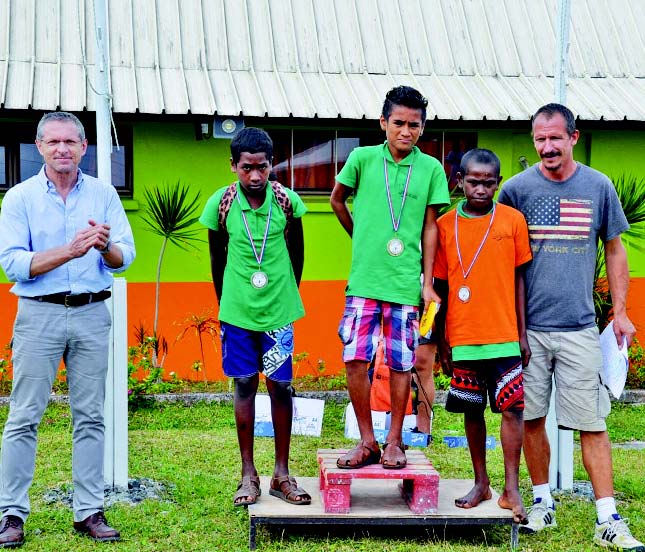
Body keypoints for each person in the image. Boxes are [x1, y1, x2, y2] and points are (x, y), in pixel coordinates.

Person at [498, 103, 644, 551]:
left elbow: (615, 250)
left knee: (593, 423)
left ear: (573, 138)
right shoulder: (515, 190)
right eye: (539, 139)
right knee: (532, 417)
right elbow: (499, 253)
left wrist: (619, 311)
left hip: (580, 328)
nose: (546, 147)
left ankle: (608, 518)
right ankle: (542, 503)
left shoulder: (597, 187)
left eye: (555, 138)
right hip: (529, 330)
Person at [0, 111, 136, 546]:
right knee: (24, 416)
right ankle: (12, 515)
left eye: (71, 142)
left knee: (91, 416)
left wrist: (105, 247)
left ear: (83, 147)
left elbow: (125, 257)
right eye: (53, 142)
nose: (62, 149)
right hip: (39, 315)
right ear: (38, 147)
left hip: (92, 313)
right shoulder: (19, 198)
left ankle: (89, 511)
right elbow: (13, 264)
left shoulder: (102, 194)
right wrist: (69, 251)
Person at [330, 85, 450, 470]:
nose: (405, 131)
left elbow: (431, 228)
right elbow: (337, 199)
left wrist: (427, 282)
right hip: (364, 281)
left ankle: (395, 441)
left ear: (422, 128)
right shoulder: (362, 159)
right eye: (398, 122)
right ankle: (367, 441)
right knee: (355, 359)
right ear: (383, 122)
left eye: (414, 125)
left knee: (401, 363)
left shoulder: (430, 168)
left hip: (403, 285)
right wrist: (360, 236)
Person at [199, 127, 311, 507]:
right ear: (233, 166)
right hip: (237, 313)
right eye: (246, 168)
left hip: (278, 312)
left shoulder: (287, 203)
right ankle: (248, 473)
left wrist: (281, 295)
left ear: (271, 164)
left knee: (281, 387)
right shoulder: (221, 204)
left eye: (262, 167)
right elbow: (217, 260)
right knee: (245, 385)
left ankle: (282, 473)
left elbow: (298, 256)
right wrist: (229, 304)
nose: (255, 177)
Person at [433, 148, 531, 524]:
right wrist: (441, 339)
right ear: (459, 180)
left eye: (489, 183)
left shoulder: (512, 220)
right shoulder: (444, 225)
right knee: (472, 410)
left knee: (512, 409)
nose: (480, 189)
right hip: (463, 336)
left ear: (498, 183)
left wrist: (522, 333)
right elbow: (439, 287)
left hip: (505, 335)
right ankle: (480, 482)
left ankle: (511, 488)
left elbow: (520, 279)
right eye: (473, 181)